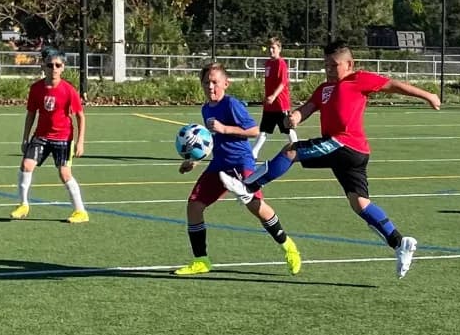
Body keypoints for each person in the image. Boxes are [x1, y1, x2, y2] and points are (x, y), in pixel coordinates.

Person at [219, 40, 441, 279]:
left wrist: (428, 95)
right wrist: (294, 117)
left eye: (334, 65)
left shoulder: (359, 80)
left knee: (291, 150)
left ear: (349, 64)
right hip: (349, 155)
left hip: (344, 144)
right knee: (360, 204)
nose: (329, 69)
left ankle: (248, 186)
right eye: (326, 65)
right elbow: (307, 108)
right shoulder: (324, 88)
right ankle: (399, 243)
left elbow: (394, 85)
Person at [174, 62, 302, 276]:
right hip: (219, 164)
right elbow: (211, 140)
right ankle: (201, 260)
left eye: (215, 82)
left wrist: (225, 128)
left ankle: (288, 245)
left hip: (241, 163)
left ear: (226, 83)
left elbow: (254, 130)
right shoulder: (206, 108)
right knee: (194, 205)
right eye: (206, 83)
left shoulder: (232, 104)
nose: (211, 87)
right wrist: (195, 159)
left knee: (255, 206)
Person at [10, 47, 89, 223]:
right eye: (50, 65)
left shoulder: (69, 90)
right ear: (43, 67)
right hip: (41, 137)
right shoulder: (36, 89)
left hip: (63, 138)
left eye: (57, 65)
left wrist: (80, 141)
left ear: (63, 68)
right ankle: (23, 204)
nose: (54, 68)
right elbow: (31, 113)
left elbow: (80, 116)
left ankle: (80, 211)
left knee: (64, 174)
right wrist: (25, 138)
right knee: (26, 165)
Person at [252, 37, 299, 159]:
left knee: (288, 129)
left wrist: (273, 96)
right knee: (264, 130)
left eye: (273, 48)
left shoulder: (281, 63)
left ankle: (298, 150)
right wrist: (267, 97)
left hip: (280, 104)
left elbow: (283, 83)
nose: (270, 50)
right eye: (269, 48)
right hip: (269, 106)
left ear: (279, 49)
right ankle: (254, 153)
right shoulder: (268, 63)